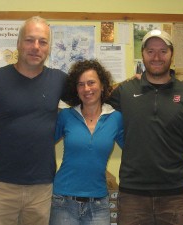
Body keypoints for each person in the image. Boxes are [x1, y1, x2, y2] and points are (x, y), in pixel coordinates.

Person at [0, 16, 67, 225]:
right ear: (18, 43)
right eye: (30, 40)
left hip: (42, 189)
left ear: (48, 47)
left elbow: (93, 96)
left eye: (42, 41)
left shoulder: (59, 81)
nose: (36, 47)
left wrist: (136, 82)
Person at [108, 29, 183, 225]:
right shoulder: (125, 92)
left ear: (172, 54)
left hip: (176, 196)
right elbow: (91, 98)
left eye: (163, 51)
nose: (157, 57)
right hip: (132, 196)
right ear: (142, 54)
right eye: (150, 51)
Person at [49, 59, 124, 225]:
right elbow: (40, 143)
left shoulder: (115, 118)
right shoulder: (66, 116)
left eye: (91, 83)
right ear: (76, 90)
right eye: (81, 84)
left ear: (103, 85)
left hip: (98, 204)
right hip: (63, 201)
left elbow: (135, 148)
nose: (86, 89)